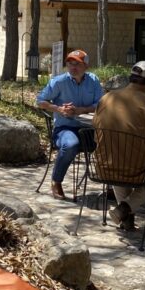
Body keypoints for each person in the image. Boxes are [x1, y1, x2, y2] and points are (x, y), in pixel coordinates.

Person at [91, 61, 145, 231]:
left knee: (118, 159)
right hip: (133, 171)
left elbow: (96, 135)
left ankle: (126, 217)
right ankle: (126, 207)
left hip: (102, 167)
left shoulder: (105, 98)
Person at [36, 49, 104, 200]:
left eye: (77, 64)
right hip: (65, 128)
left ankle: (112, 186)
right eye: (70, 64)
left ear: (86, 66)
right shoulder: (58, 81)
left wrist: (82, 110)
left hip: (89, 128)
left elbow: (101, 104)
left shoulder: (93, 80)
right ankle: (56, 181)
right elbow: (40, 101)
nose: (73, 67)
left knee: (112, 141)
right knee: (71, 144)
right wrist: (58, 109)